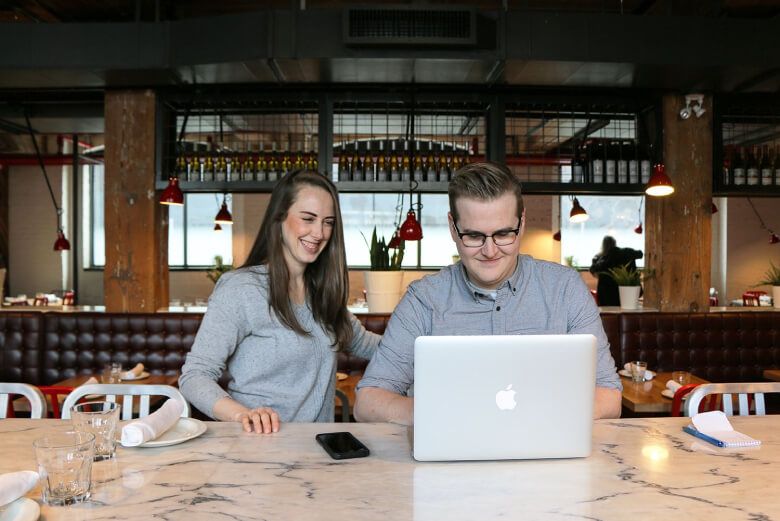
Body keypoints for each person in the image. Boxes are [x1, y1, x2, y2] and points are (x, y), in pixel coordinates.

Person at [354, 162, 622, 425]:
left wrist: (530, 417)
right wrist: (440, 416)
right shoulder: (423, 300)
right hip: (451, 452)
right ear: (453, 228)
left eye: (504, 234)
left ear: (522, 222)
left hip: (548, 451)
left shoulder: (565, 289)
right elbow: (367, 402)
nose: (490, 251)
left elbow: (609, 396)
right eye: (473, 236)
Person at [180, 170, 380, 434]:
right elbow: (195, 376)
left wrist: (426, 340)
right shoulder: (242, 289)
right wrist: (242, 415)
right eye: (308, 219)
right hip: (257, 447)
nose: (319, 233)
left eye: (328, 222)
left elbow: (373, 346)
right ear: (280, 217)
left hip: (317, 448)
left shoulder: (323, 295)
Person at [589, 236, 643, 306]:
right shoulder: (626, 252)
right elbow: (640, 254)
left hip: (606, 294)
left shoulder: (600, 258)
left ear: (603, 245)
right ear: (615, 243)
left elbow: (593, 270)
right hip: (626, 291)